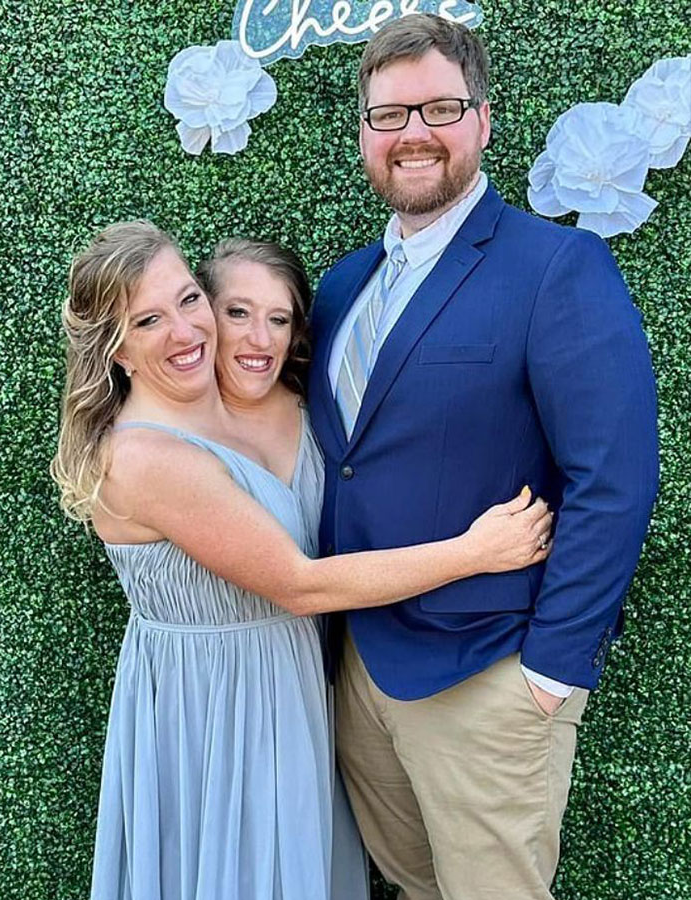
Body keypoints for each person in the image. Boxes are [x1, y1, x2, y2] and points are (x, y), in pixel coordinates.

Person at [51, 221, 553, 900]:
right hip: (211, 709)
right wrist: (474, 552)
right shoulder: (145, 457)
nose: (184, 329)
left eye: (188, 299)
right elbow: (299, 584)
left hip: (292, 686)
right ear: (118, 351)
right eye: (148, 320)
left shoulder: (273, 404)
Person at [307, 14, 659, 900]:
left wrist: (550, 674)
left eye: (439, 108)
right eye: (389, 115)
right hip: (360, 674)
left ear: (483, 121)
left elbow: (613, 479)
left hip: (489, 673)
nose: (413, 133)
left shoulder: (556, 266)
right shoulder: (343, 285)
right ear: (364, 132)